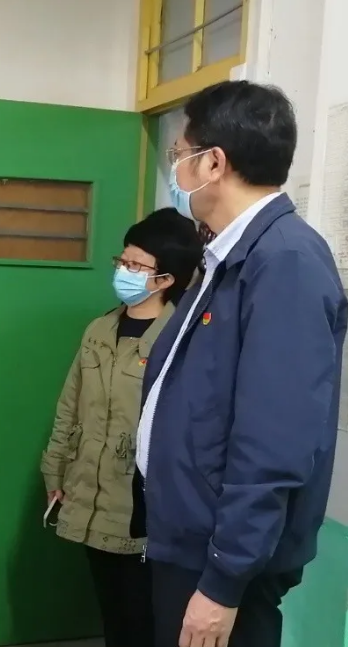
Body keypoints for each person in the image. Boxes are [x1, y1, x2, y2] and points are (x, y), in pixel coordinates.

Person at [132, 81, 348, 647]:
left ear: (214, 163)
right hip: (193, 540)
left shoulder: (284, 261)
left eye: (180, 154)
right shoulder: (229, 254)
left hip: (221, 560)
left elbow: (275, 441)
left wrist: (224, 580)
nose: (176, 168)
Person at [41, 208, 202, 647]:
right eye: (123, 261)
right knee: (113, 612)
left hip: (144, 506)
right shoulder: (99, 329)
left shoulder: (180, 338)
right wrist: (55, 471)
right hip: (90, 493)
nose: (124, 271)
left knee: (144, 618)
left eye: (136, 265)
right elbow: (69, 406)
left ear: (165, 279)